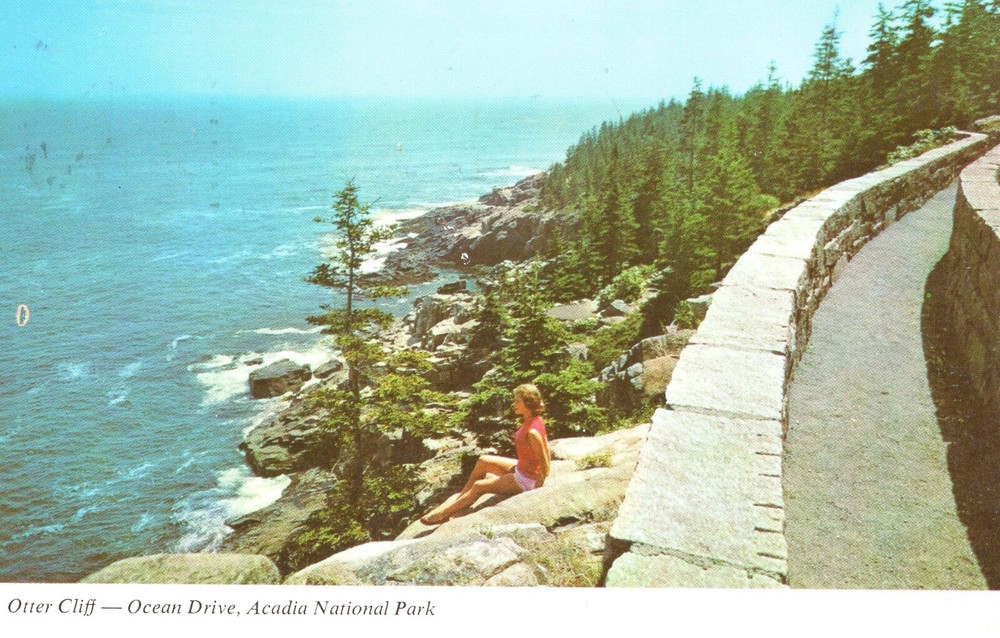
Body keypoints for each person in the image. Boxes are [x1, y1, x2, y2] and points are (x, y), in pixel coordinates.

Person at [420, 383, 550, 525]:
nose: (513, 404)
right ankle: (461, 499)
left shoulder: (532, 432)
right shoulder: (534, 420)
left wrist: (535, 492)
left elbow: (545, 464)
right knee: (483, 460)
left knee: (479, 486)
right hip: (522, 469)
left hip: (525, 480)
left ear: (528, 402)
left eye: (517, 401)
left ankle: (442, 515)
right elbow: (547, 449)